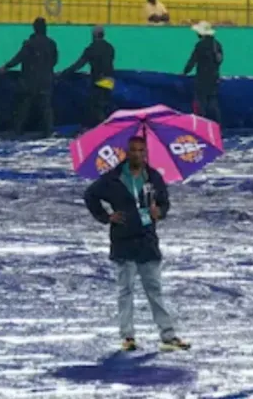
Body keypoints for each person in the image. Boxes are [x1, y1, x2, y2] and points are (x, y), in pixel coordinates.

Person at [83, 136, 190, 353]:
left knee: (154, 290)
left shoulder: (153, 177)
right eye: (133, 150)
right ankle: (128, 336)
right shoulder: (113, 179)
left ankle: (168, 336)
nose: (138, 154)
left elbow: (164, 203)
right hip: (123, 241)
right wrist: (106, 217)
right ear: (126, 152)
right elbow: (90, 195)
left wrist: (158, 212)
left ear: (146, 153)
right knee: (125, 290)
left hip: (147, 241)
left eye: (141, 150)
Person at [0, 17, 58, 138]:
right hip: (46, 81)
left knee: (24, 107)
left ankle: (18, 130)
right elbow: (55, 60)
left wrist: (6, 66)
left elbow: (18, 58)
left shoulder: (29, 44)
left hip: (29, 81)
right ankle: (49, 131)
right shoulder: (51, 43)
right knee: (46, 108)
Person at [61, 26, 116, 127]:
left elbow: (79, 64)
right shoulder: (110, 47)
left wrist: (65, 73)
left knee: (95, 106)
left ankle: (101, 127)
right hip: (110, 80)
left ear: (93, 35)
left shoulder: (91, 48)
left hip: (99, 80)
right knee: (105, 104)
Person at [182, 21, 223, 124]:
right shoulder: (217, 45)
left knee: (201, 103)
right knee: (213, 102)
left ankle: (201, 125)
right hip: (214, 78)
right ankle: (217, 125)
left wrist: (185, 72)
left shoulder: (200, 45)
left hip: (202, 78)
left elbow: (192, 61)